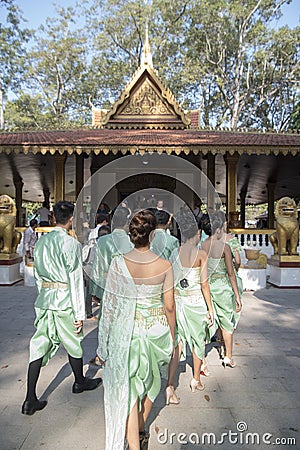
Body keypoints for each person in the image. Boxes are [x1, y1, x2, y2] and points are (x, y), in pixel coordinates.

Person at [97, 210, 176, 450]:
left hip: (126, 331)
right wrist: (173, 337)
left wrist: (103, 345)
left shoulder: (118, 263)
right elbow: (170, 306)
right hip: (155, 329)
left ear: (132, 235)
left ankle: (135, 437)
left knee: (128, 387)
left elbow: (109, 306)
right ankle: (138, 433)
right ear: (153, 235)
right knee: (152, 383)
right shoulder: (164, 265)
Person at [21, 201, 102, 416]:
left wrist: (43, 295)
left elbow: (38, 275)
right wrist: (79, 313)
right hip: (64, 300)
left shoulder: (41, 242)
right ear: (71, 220)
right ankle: (79, 381)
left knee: (38, 345)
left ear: (54, 218)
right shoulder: (71, 244)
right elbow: (75, 280)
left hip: (46, 299)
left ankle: (30, 398)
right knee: (74, 342)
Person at [167, 215, 214, 403]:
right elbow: (205, 285)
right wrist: (211, 308)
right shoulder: (201, 254)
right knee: (198, 341)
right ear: (198, 233)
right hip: (195, 302)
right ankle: (196, 379)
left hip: (178, 301)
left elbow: (169, 281)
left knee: (177, 345)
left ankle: (170, 385)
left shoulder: (174, 252)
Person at [201, 212, 242, 368]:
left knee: (206, 323)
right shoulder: (224, 247)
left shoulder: (202, 246)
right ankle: (228, 357)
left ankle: (202, 360)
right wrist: (237, 295)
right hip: (223, 287)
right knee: (226, 323)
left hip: (207, 286)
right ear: (218, 230)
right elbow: (231, 273)